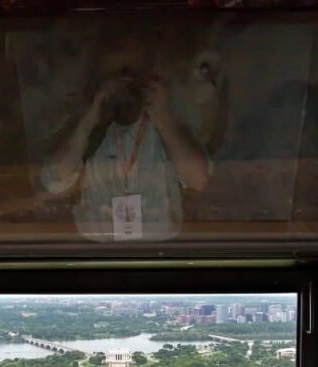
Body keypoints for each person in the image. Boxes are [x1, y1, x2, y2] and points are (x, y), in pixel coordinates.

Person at [39, 55, 213, 242]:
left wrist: (164, 118)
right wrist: (89, 120)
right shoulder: (86, 127)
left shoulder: (169, 121)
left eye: (133, 76)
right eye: (117, 77)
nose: (125, 85)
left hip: (160, 250)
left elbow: (198, 180)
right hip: (96, 250)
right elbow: (55, 181)